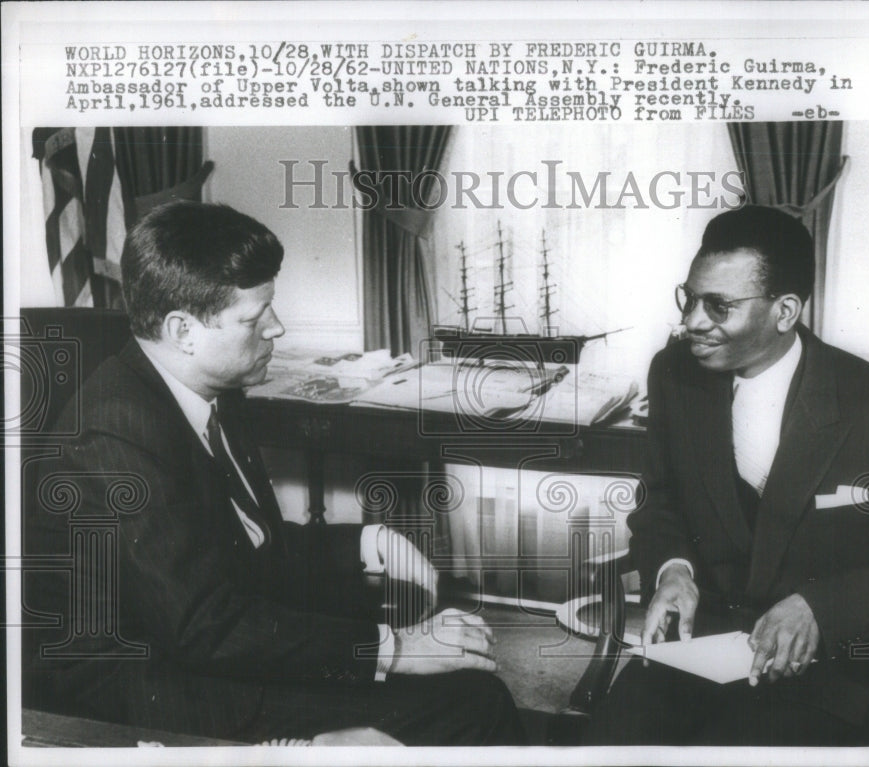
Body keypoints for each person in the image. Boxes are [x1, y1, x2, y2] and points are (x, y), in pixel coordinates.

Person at [22, 201, 524, 745]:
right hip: (144, 691)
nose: (277, 328)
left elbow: (245, 552)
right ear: (182, 330)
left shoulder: (214, 391)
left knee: (461, 682)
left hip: (198, 648)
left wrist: (368, 541)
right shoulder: (114, 434)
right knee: (471, 703)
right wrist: (395, 648)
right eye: (253, 318)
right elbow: (205, 625)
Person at [587, 205, 869, 746]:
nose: (692, 322)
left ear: (785, 311)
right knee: (609, 743)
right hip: (696, 652)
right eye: (689, 299)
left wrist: (818, 608)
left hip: (820, 674)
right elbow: (660, 499)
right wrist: (672, 568)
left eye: (718, 306)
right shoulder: (675, 374)